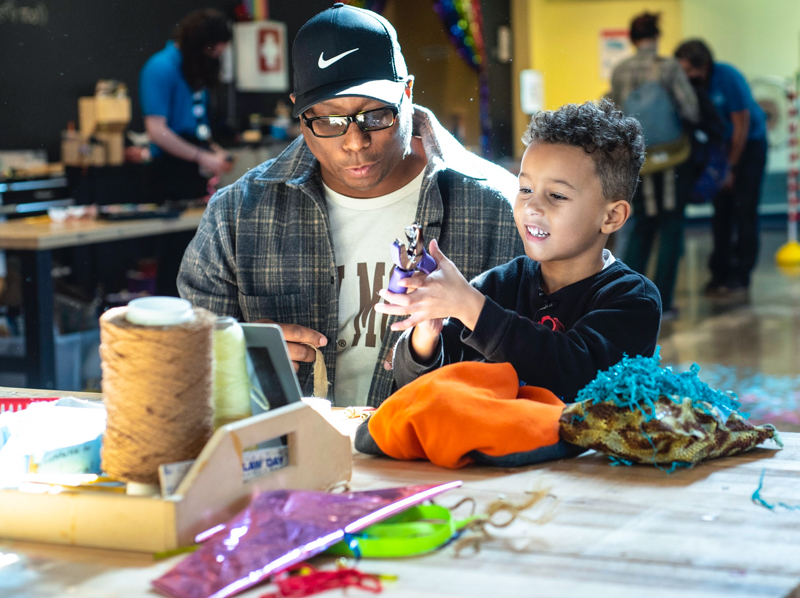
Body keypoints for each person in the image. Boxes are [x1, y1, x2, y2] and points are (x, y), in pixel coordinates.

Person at [178, 4, 522, 407]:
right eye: (327, 122)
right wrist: (232, 355)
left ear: (407, 93)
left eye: (375, 116)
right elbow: (181, 363)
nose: (355, 142)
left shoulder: (500, 208)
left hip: (441, 463)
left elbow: (546, 364)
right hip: (287, 460)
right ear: (299, 110)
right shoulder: (237, 215)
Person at [378, 100, 662, 401]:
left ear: (612, 216)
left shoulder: (633, 299)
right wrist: (427, 333)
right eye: (525, 189)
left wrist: (472, 307)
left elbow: (575, 375)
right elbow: (417, 386)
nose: (532, 207)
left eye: (556, 195)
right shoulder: (498, 285)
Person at [610, 12, 699, 319]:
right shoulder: (669, 68)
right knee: (671, 227)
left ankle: (630, 297)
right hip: (672, 158)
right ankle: (664, 302)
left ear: (632, 39)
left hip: (640, 158)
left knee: (642, 227)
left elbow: (617, 116)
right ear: (657, 37)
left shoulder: (620, 71)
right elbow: (690, 109)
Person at [675, 40, 768, 296]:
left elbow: (742, 123)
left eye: (690, 71)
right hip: (720, 147)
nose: (687, 77)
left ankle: (741, 274)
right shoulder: (690, 85)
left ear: (703, 65)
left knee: (744, 209)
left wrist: (731, 168)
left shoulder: (728, 77)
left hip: (749, 146)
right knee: (721, 212)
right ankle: (719, 272)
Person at [140, 8, 234, 202]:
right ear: (198, 44)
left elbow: (198, 122)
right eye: (211, 50)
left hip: (193, 167)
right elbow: (157, 131)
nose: (214, 57)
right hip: (168, 172)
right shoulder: (161, 67)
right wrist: (203, 156)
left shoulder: (196, 68)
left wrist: (214, 150)